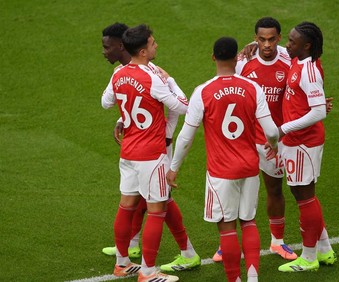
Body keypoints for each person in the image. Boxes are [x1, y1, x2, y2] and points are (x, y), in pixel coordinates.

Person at [166, 37, 279, 282]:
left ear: (213, 57)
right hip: (250, 167)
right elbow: (271, 130)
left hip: (221, 172)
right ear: (235, 58)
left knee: (227, 227)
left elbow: (186, 137)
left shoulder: (203, 91)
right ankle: (252, 277)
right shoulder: (253, 88)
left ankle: (233, 279)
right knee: (248, 222)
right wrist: (274, 146)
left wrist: (173, 168)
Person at [100, 22, 201, 273]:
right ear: (143, 51)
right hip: (153, 152)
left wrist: (124, 117)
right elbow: (185, 107)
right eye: (153, 43)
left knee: (127, 206)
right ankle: (148, 271)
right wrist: (172, 82)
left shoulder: (118, 74)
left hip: (128, 152)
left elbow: (107, 102)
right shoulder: (154, 77)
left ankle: (122, 263)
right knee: (157, 209)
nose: (156, 45)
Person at [212, 17, 297, 263]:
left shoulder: (288, 60)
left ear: (279, 38)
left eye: (271, 39)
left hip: (274, 140)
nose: (267, 44)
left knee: (274, 189)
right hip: (245, 139)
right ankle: (226, 243)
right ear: (255, 38)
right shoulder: (243, 61)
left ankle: (278, 242)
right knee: (235, 190)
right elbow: (225, 88)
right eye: (261, 39)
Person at [275, 22, 337, 272]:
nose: (286, 45)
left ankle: (309, 257)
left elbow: (319, 112)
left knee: (305, 197)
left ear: (306, 46)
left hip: (303, 143)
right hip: (296, 142)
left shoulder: (309, 71)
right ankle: (325, 250)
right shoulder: (297, 60)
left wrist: (284, 128)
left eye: (291, 42)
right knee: (303, 196)